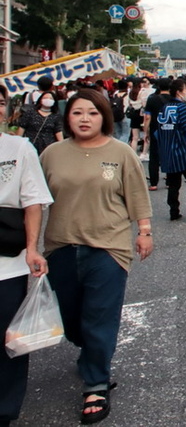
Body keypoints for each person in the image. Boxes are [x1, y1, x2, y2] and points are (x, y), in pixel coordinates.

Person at [40, 88, 153, 424]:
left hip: (108, 246)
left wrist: (144, 231)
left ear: (104, 115)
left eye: (92, 112)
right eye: (77, 113)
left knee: (100, 316)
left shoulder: (120, 153)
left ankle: (96, 383)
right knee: (71, 318)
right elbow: (32, 199)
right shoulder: (51, 154)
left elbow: (135, 193)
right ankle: (89, 350)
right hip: (60, 246)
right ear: (67, 117)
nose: (85, 119)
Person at [0, 84, 53, 427]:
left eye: (0, 102)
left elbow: (32, 201)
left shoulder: (18, 148)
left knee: (9, 340)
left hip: (9, 263)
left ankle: (5, 411)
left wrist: (33, 247)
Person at [157, 79, 186, 221]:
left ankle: (174, 210)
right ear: (179, 92)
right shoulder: (184, 108)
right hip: (182, 150)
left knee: (173, 183)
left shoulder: (164, 108)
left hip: (168, 150)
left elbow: (157, 131)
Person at [142, 78, 171, 187]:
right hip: (170, 130)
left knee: (154, 156)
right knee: (169, 154)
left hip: (155, 130)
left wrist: (146, 132)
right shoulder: (174, 99)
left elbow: (147, 117)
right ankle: (169, 180)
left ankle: (154, 183)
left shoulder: (152, 99)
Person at [16, 89, 64, 154]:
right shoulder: (30, 113)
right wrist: (17, 143)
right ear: (40, 100)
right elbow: (22, 128)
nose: (48, 99)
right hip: (30, 146)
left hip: (48, 149)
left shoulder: (56, 116)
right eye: (45, 98)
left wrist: (62, 147)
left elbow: (58, 132)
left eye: (51, 98)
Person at [126, 79, 146, 155]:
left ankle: (133, 153)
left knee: (135, 137)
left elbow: (129, 104)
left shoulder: (130, 92)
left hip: (133, 114)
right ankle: (144, 153)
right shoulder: (142, 92)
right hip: (141, 114)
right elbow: (144, 104)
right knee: (145, 134)